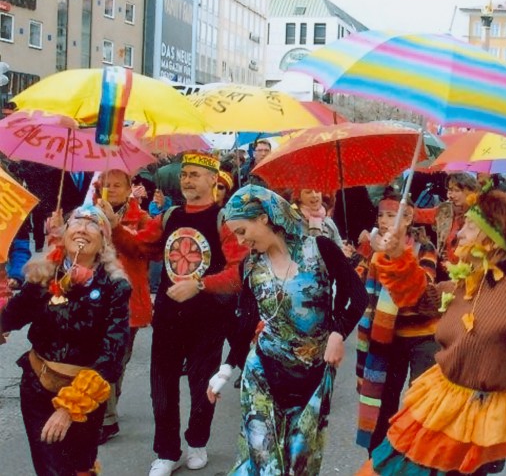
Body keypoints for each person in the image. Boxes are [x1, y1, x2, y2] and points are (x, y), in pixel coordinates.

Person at [357, 190, 506, 476]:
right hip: (439, 401)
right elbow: (422, 299)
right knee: (392, 466)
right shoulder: (467, 280)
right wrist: (394, 253)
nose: (459, 234)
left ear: (493, 239)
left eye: (469, 227)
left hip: (477, 418)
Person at [206, 185, 367, 475]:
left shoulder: (320, 249)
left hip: (313, 377)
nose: (241, 241)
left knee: (299, 466)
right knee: (266, 464)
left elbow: (358, 295)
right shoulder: (251, 266)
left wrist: (337, 332)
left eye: (243, 231)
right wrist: (226, 369)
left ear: (264, 219)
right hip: (263, 372)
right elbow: (246, 322)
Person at [107, 152, 249, 475]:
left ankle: (198, 441)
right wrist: (115, 228)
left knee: (202, 386)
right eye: (184, 174)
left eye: (195, 175)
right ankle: (167, 451)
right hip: (169, 317)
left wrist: (199, 284)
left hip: (208, 319)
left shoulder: (224, 220)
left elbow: (239, 273)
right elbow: (139, 247)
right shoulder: (169, 216)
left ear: (213, 180)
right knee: (162, 386)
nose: (187, 180)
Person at [0, 205, 131, 476]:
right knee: (51, 470)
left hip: (85, 395)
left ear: (104, 240)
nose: (83, 228)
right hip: (38, 386)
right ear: (65, 232)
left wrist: (69, 409)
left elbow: (113, 355)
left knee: (80, 468)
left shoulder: (115, 286)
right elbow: (13, 315)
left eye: (93, 224)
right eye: (76, 222)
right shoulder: (45, 275)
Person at [355, 189, 439, 453]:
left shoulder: (423, 248)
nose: (383, 221)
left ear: (408, 218)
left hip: (422, 337)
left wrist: (396, 258)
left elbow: (425, 286)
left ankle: (418, 456)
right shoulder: (375, 250)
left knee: (419, 403)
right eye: (381, 215)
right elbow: (359, 283)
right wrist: (352, 258)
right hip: (386, 338)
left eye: (392, 215)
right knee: (383, 402)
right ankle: (377, 458)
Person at [91, 169, 152, 444]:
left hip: (127, 301)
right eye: (106, 184)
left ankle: (106, 405)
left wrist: (115, 225)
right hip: (92, 299)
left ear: (130, 189)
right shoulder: (86, 214)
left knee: (117, 359)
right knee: (99, 357)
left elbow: (142, 250)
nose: (111, 189)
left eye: (117, 185)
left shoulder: (141, 219)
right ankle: (106, 417)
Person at [415, 172, 481, 279]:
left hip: (470, 275)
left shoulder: (480, 215)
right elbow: (418, 215)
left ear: (471, 191)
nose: (451, 195)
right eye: (449, 190)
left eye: (456, 190)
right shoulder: (445, 211)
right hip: (443, 274)